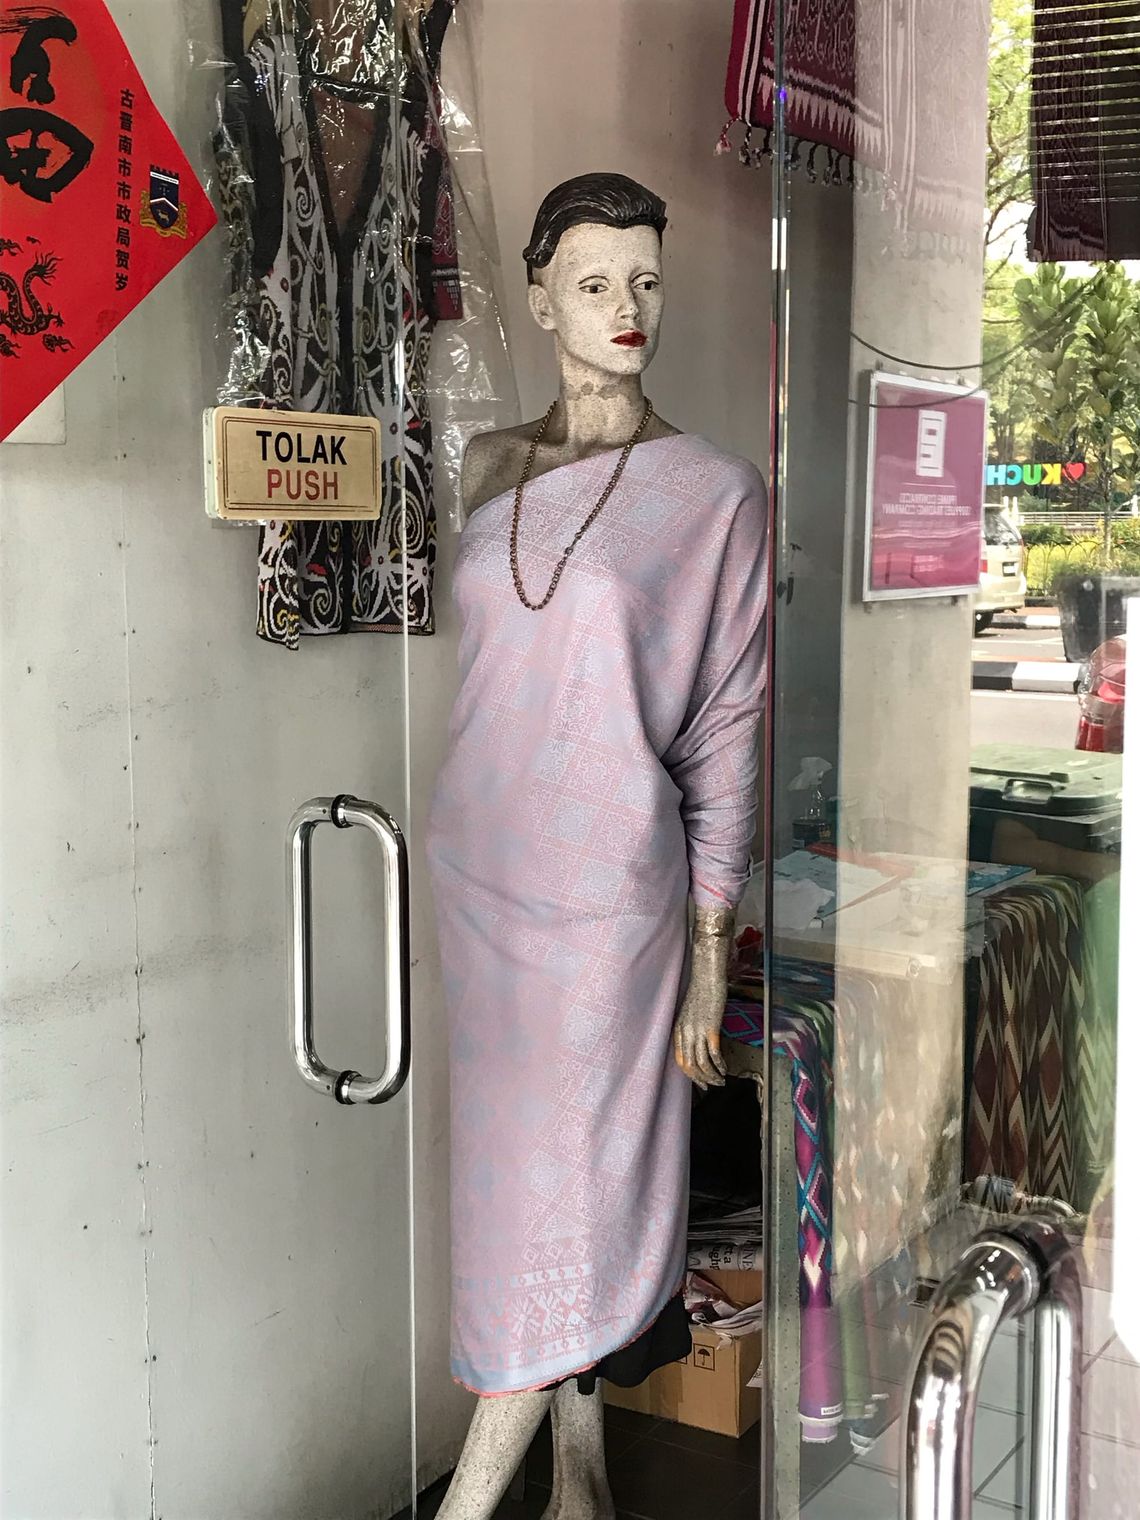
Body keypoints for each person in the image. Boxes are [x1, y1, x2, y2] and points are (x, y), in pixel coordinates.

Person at [424, 172, 768, 1519]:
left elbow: (726, 732)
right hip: (480, 892)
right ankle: (581, 1489)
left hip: (607, 912)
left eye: (646, 281)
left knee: (562, 1212)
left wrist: (707, 960)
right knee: (521, 1200)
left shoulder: (713, 494)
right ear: (541, 292)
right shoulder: (486, 465)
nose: (628, 309)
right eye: (594, 282)